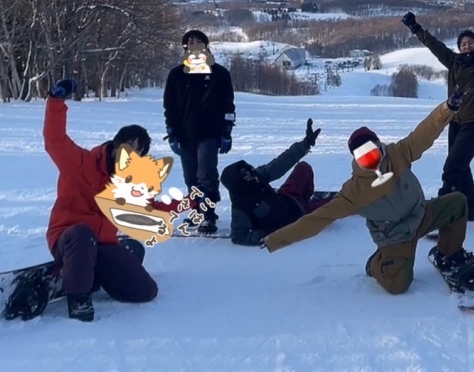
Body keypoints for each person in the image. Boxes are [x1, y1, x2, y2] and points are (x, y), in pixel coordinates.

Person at [262, 94, 474, 295]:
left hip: (421, 215)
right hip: (395, 236)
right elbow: (316, 220)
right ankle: (375, 264)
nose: (370, 157)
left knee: (457, 202)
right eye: (363, 156)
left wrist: (447, 109)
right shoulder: (354, 192)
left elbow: (425, 132)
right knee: (398, 285)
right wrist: (275, 239)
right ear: (356, 159)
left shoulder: (398, 154)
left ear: (379, 144)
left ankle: (447, 253)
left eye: (372, 150)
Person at [44, 79, 187, 321]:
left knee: (145, 291)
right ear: (116, 144)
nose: (132, 151)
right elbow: (54, 140)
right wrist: (56, 100)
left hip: (103, 245)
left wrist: (188, 202)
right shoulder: (80, 163)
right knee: (82, 233)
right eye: (128, 144)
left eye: (138, 150)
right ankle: (78, 297)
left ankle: (93, 271)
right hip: (69, 239)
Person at [400, 0, 474, 222]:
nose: (466, 46)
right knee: (462, 167)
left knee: (452, 169)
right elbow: (434, 45)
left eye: (470, 42)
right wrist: (415, 27)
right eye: (463, 43)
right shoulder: (453, 62)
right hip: (454, 122)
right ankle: (470, 210)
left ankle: (441, 216)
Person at [163, 29, 235, 234]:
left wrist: (227, 131)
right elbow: (170, 106)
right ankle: (196, 210)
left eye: (198, 42)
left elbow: (228, 105)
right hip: (185, 134)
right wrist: (172, 131)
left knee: (206, 175)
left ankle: (208, 216)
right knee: (190, 177)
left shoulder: (219, 74)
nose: (194, 46)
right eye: (189, 43)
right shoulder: (176, 75)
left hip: (210, 133)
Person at [220, 119, 330, 246]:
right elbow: (238, 237)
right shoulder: (241, 207)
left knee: (303, 168)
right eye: (244, 175)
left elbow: (280, 164)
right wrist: (267, 233)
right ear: (237, 184)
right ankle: (308, 205)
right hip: (296, 218)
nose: (249, 174)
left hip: (287, 196)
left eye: (246, 170)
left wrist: (305, 144)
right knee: (333, 205)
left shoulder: (257, 177)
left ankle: (305, 198)